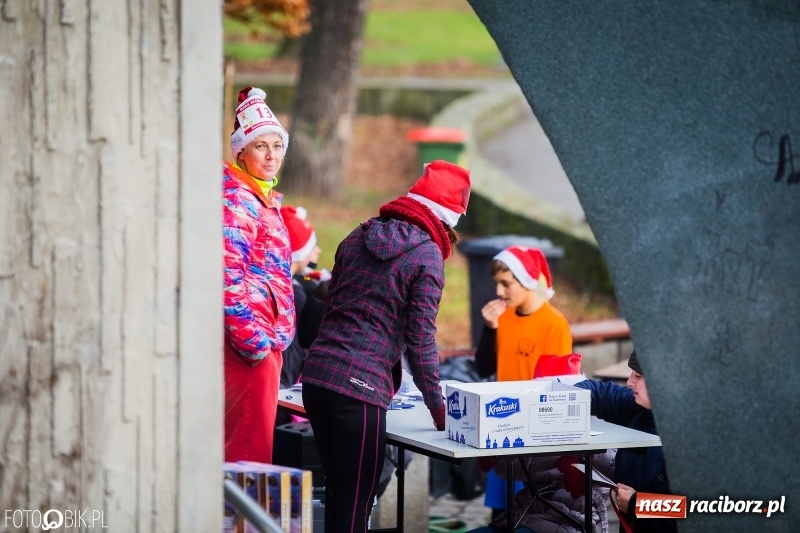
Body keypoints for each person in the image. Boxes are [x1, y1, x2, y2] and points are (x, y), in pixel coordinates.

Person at [301, 160, 472, 533]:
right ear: (445, 221)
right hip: (358, 390)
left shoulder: (356, 235)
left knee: (338, 496)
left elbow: (333, 304)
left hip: (316, 379)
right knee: (355, 505)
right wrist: (436, 405)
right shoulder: (426, 256)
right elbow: (420, 338)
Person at [473, 245, 574, 518]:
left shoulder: (554, 324)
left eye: (506, 284)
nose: (499, 292)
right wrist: (489, 329)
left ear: (526, 281)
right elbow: (483, 369)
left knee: (529, 509)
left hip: (533, 433)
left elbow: (561, 386)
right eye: (497, 283)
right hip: (501, 423)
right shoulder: (502, 316)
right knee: (500, 511)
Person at [466, 353, 616, 533]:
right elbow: (510, 470)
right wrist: (490, 451)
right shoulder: (535, 430)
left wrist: (583, 445)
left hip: (571, 521)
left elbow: (613, 467)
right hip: (528, 513)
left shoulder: (597, 428)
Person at [223, 86, 294, 463]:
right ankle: (241, 525)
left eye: (277, 146)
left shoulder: (257, 196)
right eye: (260, 146)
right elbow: (226, 281)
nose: (271, 156)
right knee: (249, 456)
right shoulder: (238, 201)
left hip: (260, 343)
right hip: (248, 348)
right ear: (241, 151)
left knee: (247, 448)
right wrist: (256, 346)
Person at [574, 350, 677, 533]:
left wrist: (637, 504)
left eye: (638, 375)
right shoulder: (637, 407)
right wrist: (562, 398)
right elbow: (600, 393)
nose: (630, 382)